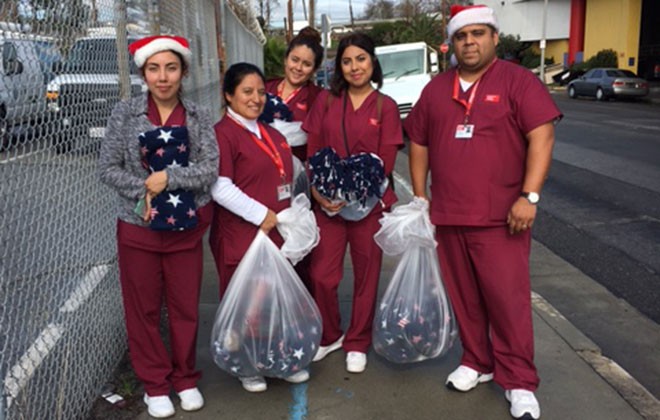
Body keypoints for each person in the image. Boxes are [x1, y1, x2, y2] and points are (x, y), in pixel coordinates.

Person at [404, 5, 562, 420]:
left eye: (478, 34)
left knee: (507, 302)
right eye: (461, 36)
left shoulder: (518, 82)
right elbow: (417, 141)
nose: (469, 42)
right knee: (465, 299)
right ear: (452, 43)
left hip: (501, 219)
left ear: (494, 38)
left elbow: (541, 135)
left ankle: (520, 380)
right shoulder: (437, 89)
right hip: (449, 215)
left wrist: (529, 196)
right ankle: (477, 360)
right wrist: (421, 197)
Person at [99, 35, 218, 418]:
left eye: (171, 68)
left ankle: (185, 377)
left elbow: (209, 170)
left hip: (186, 228)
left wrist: (169, 177)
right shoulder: (125, 114)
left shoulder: (198, 116)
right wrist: (144, 189)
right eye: (154, 68)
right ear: (143, 73)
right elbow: (108, 168)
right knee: (143, 309)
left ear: (183, 72)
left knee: (185, 307)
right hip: (139, 228)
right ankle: (155, 383)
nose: (162, 77)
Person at [302, 33, 403, 374]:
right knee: (322, 274)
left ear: (372, 62)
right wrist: (319, 192)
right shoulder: (328, 102)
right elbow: (313, 151)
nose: (354, 67)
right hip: (328, 206)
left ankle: (357, 340)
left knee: (366, 274)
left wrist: (357, 191)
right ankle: (330, 334)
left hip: (367, 206)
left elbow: (386, 160)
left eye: (360, 59)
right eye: (347, 61)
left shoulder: (384, 106)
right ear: (338, 67)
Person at [209, 62, 310, 393]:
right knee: (246, 302)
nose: (255, 99)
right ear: (228, 95)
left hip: (275, 233)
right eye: (246, 92)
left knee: (272, 301)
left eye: (260, 92)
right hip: (242, 234)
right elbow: (219, 187)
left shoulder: (269, 132)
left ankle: (278, 359)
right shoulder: (222, 133)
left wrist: (294, 208)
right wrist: (260, 214)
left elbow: (286, 175)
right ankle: (247, 365)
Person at [264, 26, 324, 162]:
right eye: (295, 60)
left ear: (315, 69)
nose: (298, 68)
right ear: (286, 59)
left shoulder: (318, 98)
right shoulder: (265, 88)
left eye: (307, 64)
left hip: (299, 175)